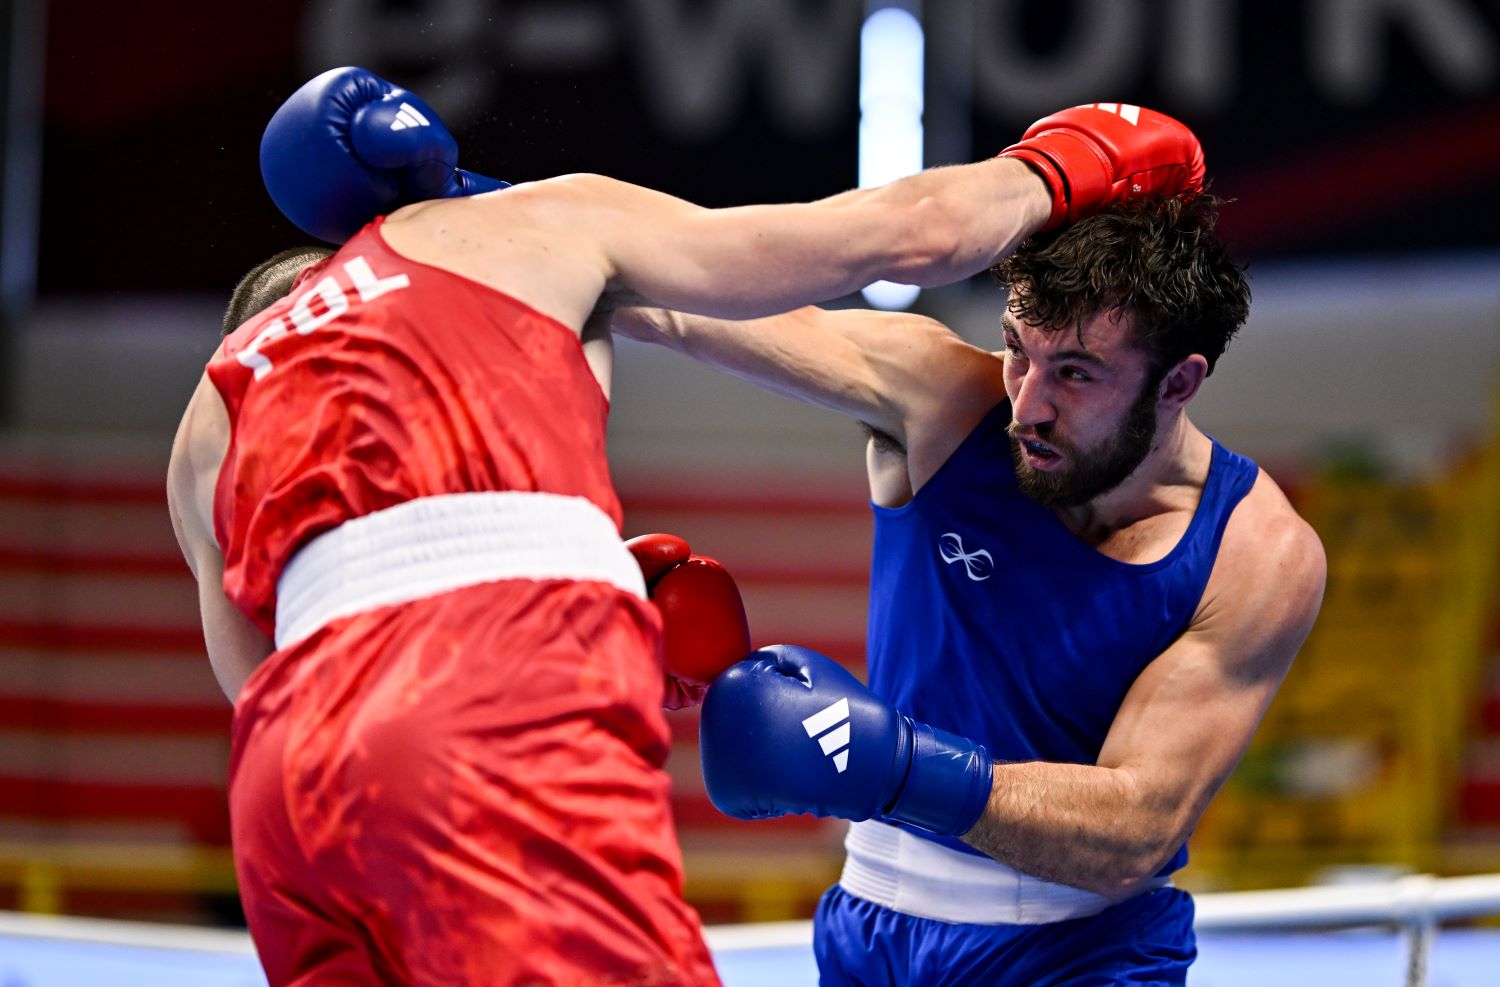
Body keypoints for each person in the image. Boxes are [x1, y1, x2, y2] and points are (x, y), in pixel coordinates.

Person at [166, 64, 1202, 985]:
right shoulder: (526, 223)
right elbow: (909, 233)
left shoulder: (212, 412)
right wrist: (1064, 164)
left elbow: (267, 677)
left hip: (284, 790)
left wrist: (593, 594)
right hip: (476, 712)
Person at [614, 174, 1327, 983]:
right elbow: (662, 292)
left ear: (1178, 383)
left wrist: (894, 765)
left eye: (1077, 373)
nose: (1027, 401)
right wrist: (465, 212)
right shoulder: (940, 397)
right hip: (872, 929)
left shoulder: (1255, 552)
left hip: (1082, 952)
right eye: (1018, 347)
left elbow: (1137, 827)